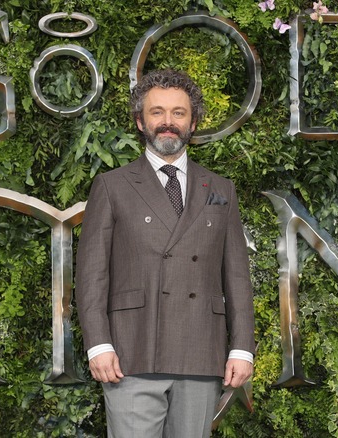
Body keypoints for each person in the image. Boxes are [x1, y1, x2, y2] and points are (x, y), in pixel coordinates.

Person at [75, 69, 255, 437]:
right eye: (157, 112)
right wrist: (97, 343)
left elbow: (236, 274)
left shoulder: (221, 188)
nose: (168, 122)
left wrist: (242, 348)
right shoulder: (112, 186)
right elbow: (92, 273)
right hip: (131, 350)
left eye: (178, 113)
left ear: (192, 123)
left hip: (200, 349)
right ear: (141, 121)